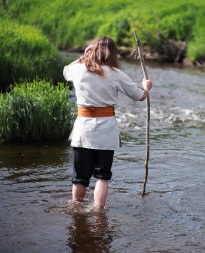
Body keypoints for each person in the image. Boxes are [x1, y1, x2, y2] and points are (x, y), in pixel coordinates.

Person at [63, 36, 152, 209]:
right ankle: (98, 212)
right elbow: (139, 96)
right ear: (114, 54)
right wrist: (146, 86)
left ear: (94, 50)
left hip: (83, 130)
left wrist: (82, 57)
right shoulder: (116, 74)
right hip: (106, 131)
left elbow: (66, 71)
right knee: (103, 177)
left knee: (80, 177)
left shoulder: (79, 70)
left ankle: (76, 209)